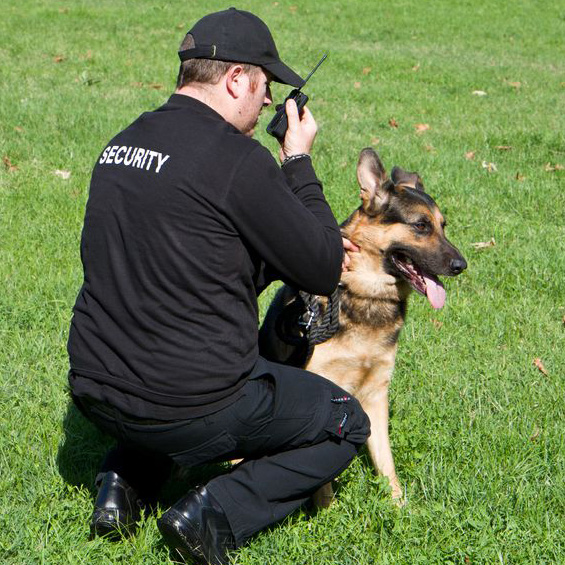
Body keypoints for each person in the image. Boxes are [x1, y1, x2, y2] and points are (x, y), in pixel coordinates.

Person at [67, 8, 370, 565]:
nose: (267, 106)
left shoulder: (121, 144)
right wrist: (298, 160)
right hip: (187, 402)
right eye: (265, 88)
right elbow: (326, 264)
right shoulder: (237, 160)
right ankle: (212, 516)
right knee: (343, 421)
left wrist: (278, 252)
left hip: (94, 387)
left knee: (166, 384)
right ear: (236, 79)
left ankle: (122, 482)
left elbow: (191, 261)